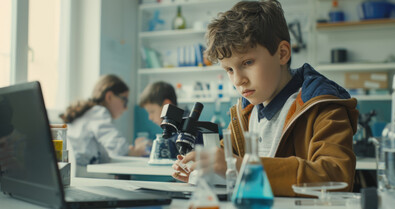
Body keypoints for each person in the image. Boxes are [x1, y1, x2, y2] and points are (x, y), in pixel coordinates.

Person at [172, 0, 359, 196]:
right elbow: (227, 166)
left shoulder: (322, 106)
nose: (238, 80)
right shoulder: (244, 113)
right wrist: (202, 171)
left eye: (247, 62)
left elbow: (337, 177)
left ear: (282, 53)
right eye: (229, 69)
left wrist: (239, 166)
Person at [60, 74, 148, 177]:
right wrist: (136, 151)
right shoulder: (98, 112)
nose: (126, 107)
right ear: (109, 97)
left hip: (75, 171)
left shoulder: (89, 113)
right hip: (80, 173)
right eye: (124, 100)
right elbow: (118, 147)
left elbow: (108, 151)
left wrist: (128, 150)